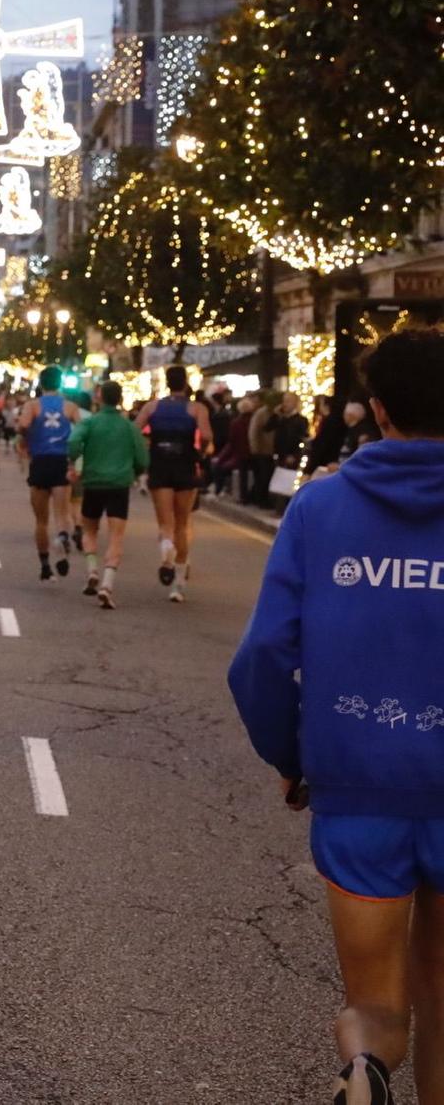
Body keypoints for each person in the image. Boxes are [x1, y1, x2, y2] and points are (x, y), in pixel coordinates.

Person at [227, 329, 444, 1105]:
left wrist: (295, 754)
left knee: (377, 1004)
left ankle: (365, 1069)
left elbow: (260, 657)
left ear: (377, 410)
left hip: (357, 786)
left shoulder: (322, 505)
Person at [136, 365, 213, 604]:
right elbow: (207, 435)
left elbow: (134, 430)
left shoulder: (152, 406)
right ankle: (178, 584)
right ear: (186, 383)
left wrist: (147, 447)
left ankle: (167, 559)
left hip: (160, 463)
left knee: (165, 523)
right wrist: (199, 452)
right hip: (185, 465)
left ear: (167, 383)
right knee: (182, 522)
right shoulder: (196, 408)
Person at [68, 380, 148, 610]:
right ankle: (107, 584)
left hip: (93, 482)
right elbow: (142, 459)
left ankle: (92, 569)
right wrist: (134, 472)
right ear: (120, 398)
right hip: (119, 484)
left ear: (99, 397)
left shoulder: (90, 423)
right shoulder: (129, 427)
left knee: (90, 529)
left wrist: (75, 461)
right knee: (116, 537)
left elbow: (73, 441)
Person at [18, 367, 81, 581]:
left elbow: (23, 425)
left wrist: (30, 439)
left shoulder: (33, 406)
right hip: (61, 461)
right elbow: (81, 431)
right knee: (62, 512)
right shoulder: (70, 407)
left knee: (41, 519)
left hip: (40, 461)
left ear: (41, 383)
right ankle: (63, 536)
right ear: (59, 383)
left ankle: (45, 565)